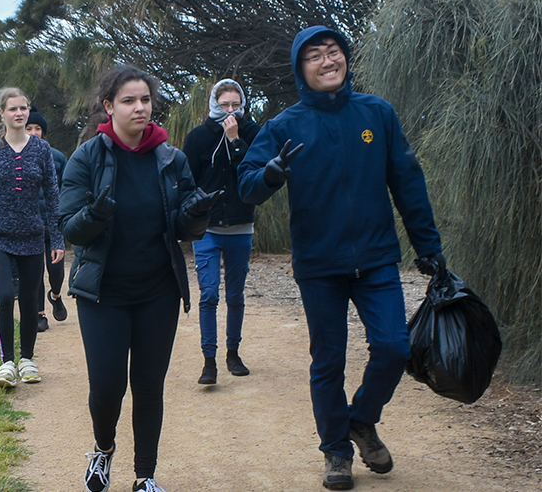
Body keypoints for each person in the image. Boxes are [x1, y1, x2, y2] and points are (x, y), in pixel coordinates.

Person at [237, 25, 445, 491]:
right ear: (300, 69)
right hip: (319, 263)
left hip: (375, 259)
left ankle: (362, 419)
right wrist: (269, 174)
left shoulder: (377, 113)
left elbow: (408, 183)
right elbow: (247, 184)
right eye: (315, 56)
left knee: (394, 347)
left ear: (345, 59)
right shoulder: (285, 126)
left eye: (334, 52)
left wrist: (428, 246)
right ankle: (336, 451)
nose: (327, 61)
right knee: (328, 360)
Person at [59, 65, 220, 492]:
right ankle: (103, 448)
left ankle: (145, 477)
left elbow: (184, 229)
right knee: (108, 385)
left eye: (145, 100)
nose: (140, 108)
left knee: (149, 385)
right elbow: (69, 228)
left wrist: (197, 212)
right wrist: (94, 215)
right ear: (109, 107)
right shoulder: (87, 157)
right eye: (129, 100)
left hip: (157, 291)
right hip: (103, 293)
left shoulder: (172, 158)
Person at [0, 87, 63, 388]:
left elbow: (52, 195)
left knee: (28, 299)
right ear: (2, 113)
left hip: (32, 236)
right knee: (2, 297)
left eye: (23, 108)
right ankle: (6, 363)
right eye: (13, 109)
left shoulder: (41, 149)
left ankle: (27, 359)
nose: (19, 113)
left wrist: (58, 239)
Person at [181, 79, 261, 384]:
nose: (230, 110)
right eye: (225, 104)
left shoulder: (252, 132)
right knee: (210, 293)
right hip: (207, 228)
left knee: (236, 294)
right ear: (214, 103)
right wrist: (189, 215)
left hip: (241, 225)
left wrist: (235, 140)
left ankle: (233, 353)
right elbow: (186, 181)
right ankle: (209, 360)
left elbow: (255, 173)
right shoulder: (199, 137)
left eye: (236, 104)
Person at [24, 107, 68, 332]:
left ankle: (56, 295)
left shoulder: (58, 158)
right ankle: (40, 314)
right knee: (35, 272)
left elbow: (68, 191)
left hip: (54, 226)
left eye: (37, 128)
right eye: (28, 128)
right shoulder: (16, 159)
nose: (33, 132)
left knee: (56, 270)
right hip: (30, 227)